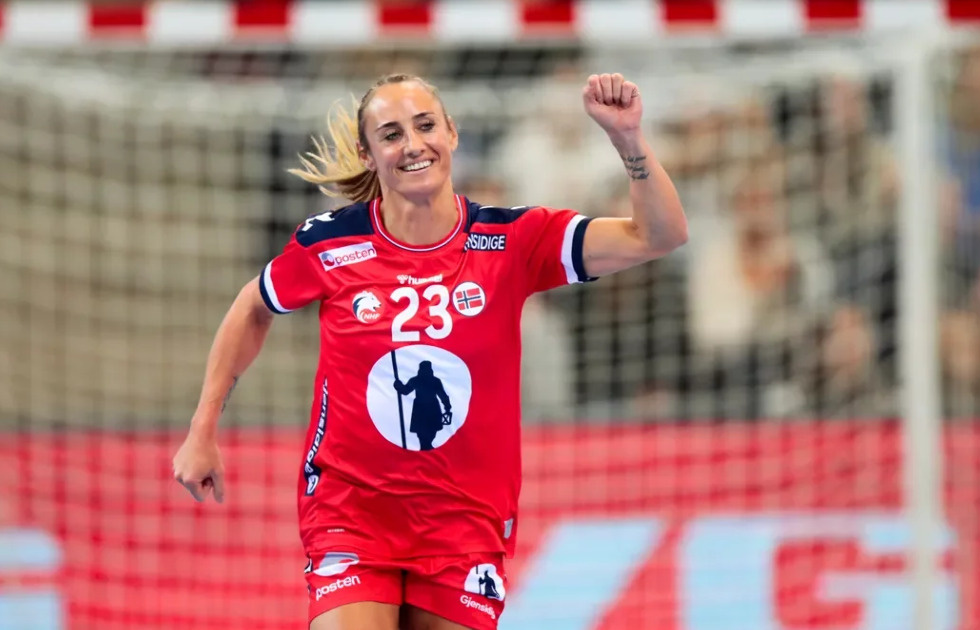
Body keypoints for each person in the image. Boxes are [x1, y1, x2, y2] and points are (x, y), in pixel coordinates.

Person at [171, 72, 688, 630]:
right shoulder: (330, 243)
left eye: (425, 126)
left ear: (452, 134)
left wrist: (627, 139)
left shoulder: (512, 240)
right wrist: (203, 428)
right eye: (391, 134)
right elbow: (254, 306)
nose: (413, 144)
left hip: (464, 522)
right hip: (352, 510)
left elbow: (658, 235)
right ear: (368, 155)